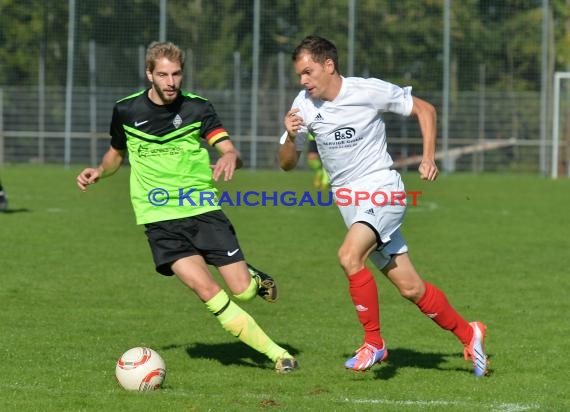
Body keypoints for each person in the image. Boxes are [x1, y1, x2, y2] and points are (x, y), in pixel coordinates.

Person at [77, 41, 297, 373]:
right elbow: (116, 154)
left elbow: (227, 148)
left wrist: (227, 156)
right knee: (206, 289)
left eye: (176, 74)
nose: (171, 82)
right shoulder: (126, 110)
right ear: (149, 73)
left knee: (244, 292)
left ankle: (252, 276)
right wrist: (99, 171)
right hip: (158, 220)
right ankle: (277, 354)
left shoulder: (198, 108)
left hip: (202, 211)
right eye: (163, 74)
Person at [278, 35, 488, 376]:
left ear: (328, 65)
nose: (303, 80)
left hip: (383, 191)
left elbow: (425, 109)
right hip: (350, 205)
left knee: (349, 256)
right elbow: (287, 163)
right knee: (411, 288)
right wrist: (289, 135)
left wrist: (428, 157)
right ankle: (470, 333)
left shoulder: (365, 90)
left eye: (308, 71)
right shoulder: (302, 106)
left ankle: (374, 343)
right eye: (299, 75)